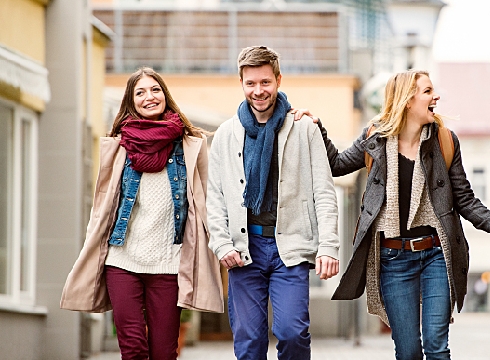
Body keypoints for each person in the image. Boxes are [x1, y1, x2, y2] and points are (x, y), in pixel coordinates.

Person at [311, 70, 490, 359]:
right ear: (407, 100)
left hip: (435, 254)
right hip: (393, 259)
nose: (435, 97)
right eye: (427, 91)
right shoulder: (375, 138)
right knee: (409, 351)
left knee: (437, 347)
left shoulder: (445, 142)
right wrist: (317, 128)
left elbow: (465, 199)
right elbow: (336, 165)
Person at [60, 67, 224, 360]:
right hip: (122, 260)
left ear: (165, 95)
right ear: (131, 101)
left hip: (169, 264)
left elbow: (208, 201)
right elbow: (104, 204)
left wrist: (222, 243)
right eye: (141, 92)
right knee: (132, 349)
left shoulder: (190, 146)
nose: (150, 97)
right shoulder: (119, 145)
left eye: (155, 89)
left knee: (164, 352)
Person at [206, 45, 340, 360]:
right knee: (249, 341)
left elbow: (324, 191)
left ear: (278, 79)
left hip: (289, 247)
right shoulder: (227, 134)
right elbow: (216, 195)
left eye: (265, 82)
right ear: (241, 84)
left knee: (293, 333)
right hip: (244, 249)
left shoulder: (304, 129)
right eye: (251, 83)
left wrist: (328, 247)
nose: (258, 90)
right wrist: (221, 244)